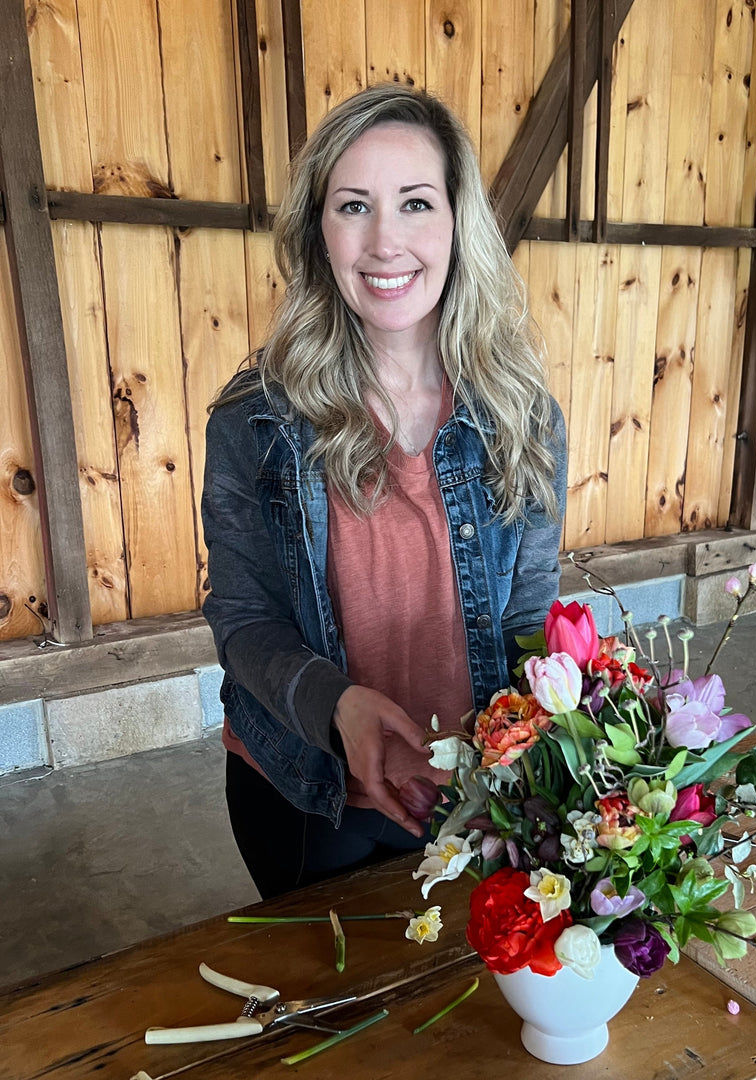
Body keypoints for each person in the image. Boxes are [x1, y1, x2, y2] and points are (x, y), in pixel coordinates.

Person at [201, 83, 567, 899]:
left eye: (415, 203)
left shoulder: (522, 414)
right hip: (306, 790)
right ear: (318, 231)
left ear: (456, 222)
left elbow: (525, 616)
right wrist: (338, 707)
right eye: (354, 205)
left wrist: (536, 759)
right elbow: (244, 618)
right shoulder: (254, 420)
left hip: (473, 793)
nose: (385, 241)